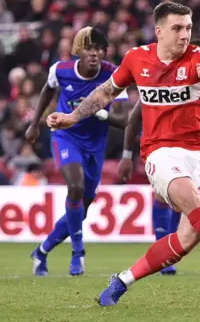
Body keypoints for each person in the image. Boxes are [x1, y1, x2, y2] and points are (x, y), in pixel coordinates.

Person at [46, 2, 200, 306]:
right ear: (159, 31)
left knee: (191, 235)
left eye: (188, 28)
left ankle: (123, 280)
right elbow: (105, 93)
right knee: (192, 202)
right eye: (177, 28)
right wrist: (72, 118)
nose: (184, 35)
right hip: (159, 151)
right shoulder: (137, 58)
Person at [117, 39, 200, 276]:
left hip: (195, 148)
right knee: (165, 193)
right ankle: (162, 241)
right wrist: (127, 155)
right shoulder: (163, 81)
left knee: (194, 213)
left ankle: (163, 253)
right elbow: (133, 120)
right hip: (161, 146)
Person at [26, 26, 128, 276]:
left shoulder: (114, 75)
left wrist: (96, 110)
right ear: (78, 51)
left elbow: (123, 119)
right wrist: (34, 123)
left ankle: (42, 251)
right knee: (75, 187)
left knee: (82, 205)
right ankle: (78, 252)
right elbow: (48, 88)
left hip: (95, 145)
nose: (94, 54)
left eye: (99, 49)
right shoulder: (60, 70)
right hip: (66, 136)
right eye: (89, 48)